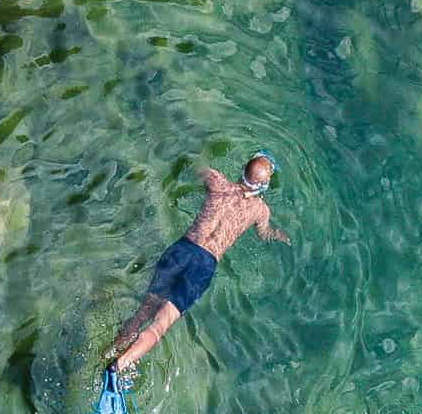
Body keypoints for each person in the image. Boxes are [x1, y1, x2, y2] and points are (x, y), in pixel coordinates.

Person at [104, 153, 289, 375]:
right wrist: (278, 235)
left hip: (182, 249)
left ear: (242, 169)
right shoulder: (260, 210)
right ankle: (118, 366)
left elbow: (194, 162)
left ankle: (110, 352)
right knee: (160, 325)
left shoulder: (218, 182)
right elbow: (264, 234)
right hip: (204, 264)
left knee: (143, 311)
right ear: (264, 185)